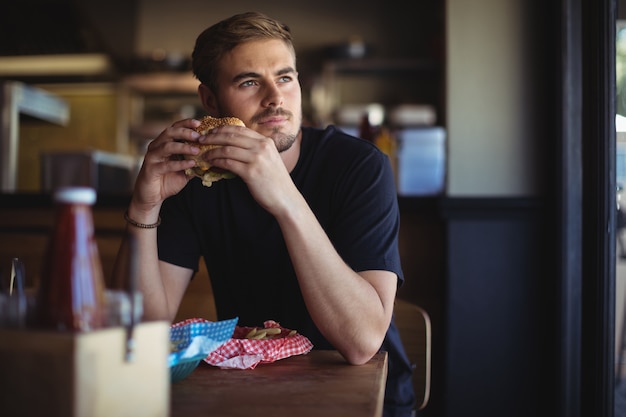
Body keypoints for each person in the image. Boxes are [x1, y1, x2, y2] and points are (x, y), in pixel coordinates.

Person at [114, 11, 416, 416]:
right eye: (250, 82)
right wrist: (144, 206)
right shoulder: (194, 179)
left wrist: (284, 197)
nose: (275, 97)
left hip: (365, 399)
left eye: (286, 77)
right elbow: (142, 335)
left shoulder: (360, 167)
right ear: (209, 100)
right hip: (248, 391)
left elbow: (362, 342)